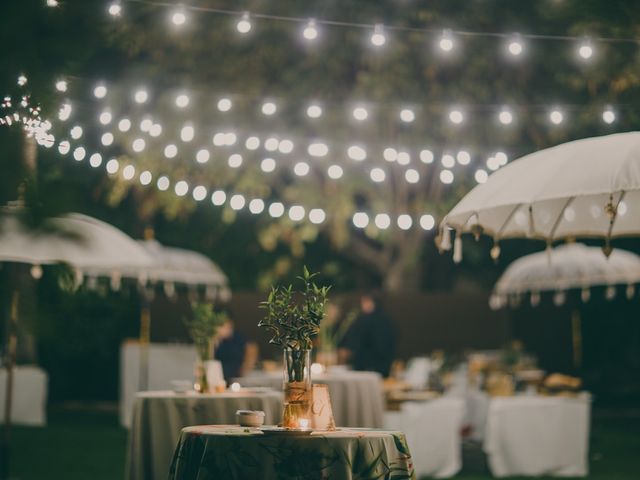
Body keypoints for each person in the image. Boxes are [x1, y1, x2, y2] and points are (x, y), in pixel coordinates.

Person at [338, 292, 396, 377]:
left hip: (365, 367)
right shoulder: (387, 321)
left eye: (365, 302)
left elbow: (355, 341)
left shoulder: (365, 320)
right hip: (384, 366)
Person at [214, 314, 257, 382]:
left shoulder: (238, 337)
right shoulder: (215, 341)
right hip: (219, 379)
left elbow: (252, 348)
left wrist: (246, 368)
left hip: (236, 378)